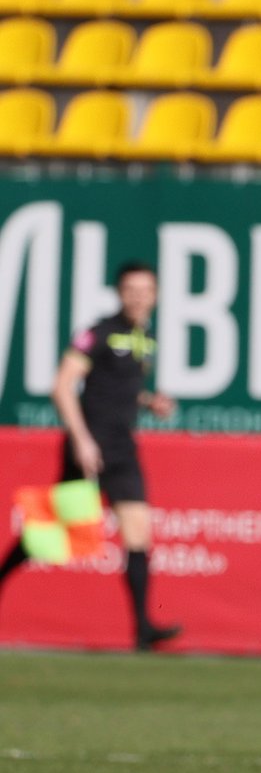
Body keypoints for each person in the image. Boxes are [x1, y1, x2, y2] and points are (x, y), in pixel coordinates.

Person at [0, 261, 180, 651]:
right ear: (119, 293)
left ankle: (143, 629)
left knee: (138, 531)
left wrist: (149, 402)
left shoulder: (145, 338)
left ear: (156, 295)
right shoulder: (98, 333)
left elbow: (117, 388)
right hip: (90, 446)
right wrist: (82, 440)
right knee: (51, 530)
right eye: (131, 290)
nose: (138, 297)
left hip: (122, 447)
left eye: (146, 290)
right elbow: (62, 386)